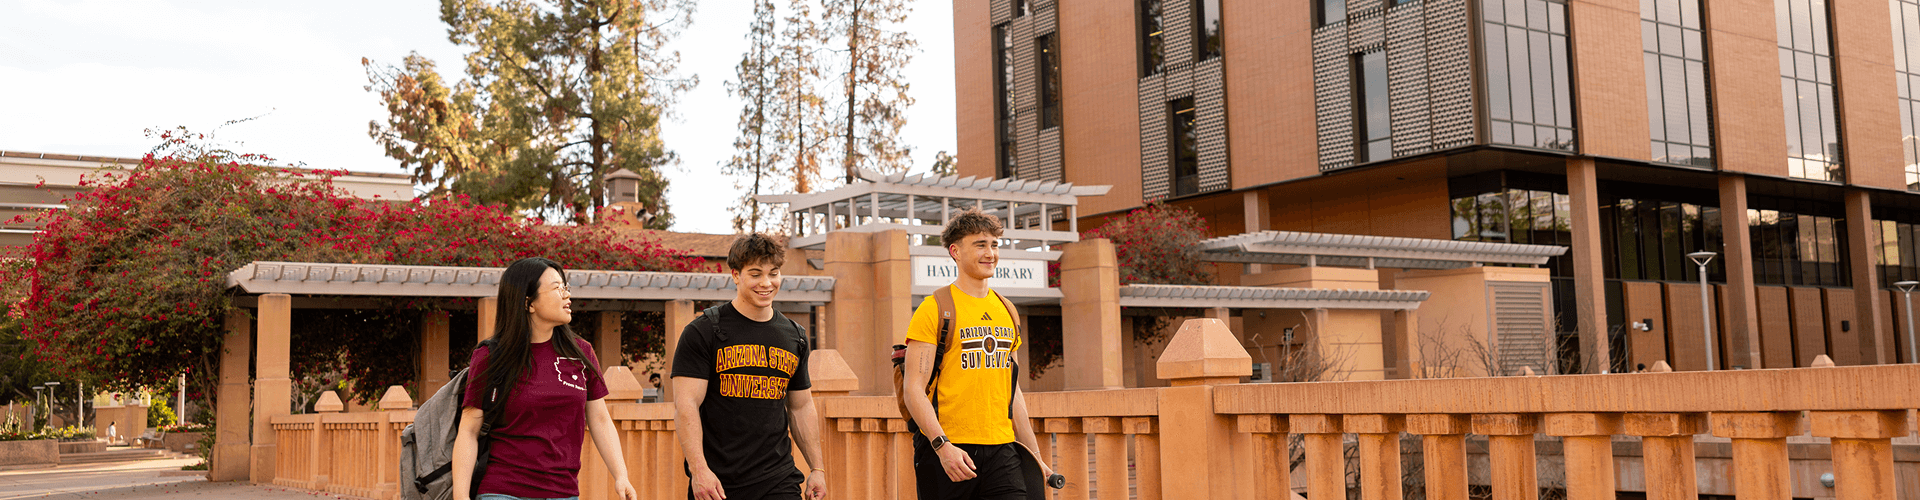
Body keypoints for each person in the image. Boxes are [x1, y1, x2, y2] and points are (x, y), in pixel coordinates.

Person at [451, 257, 637, 500]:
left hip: (563, 493)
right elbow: (469, 430)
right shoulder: (491, 356)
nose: (567, 295)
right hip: (503, 491)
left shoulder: (581, 353)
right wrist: (461, 496)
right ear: (528, 303)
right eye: (557, 288)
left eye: (566, 287)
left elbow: (600, 420)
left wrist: (621, 475)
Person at [902, 209, 1054, 500]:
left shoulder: (1007, 310)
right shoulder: (934, 308)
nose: (990, 253)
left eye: (994, 245)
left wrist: (1035, 457)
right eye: (980, 245)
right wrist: (942, 446)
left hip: (1003, 450)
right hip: (949, 450)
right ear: (955, 251)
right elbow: (913, 390)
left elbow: (1013, 391)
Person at [673, 233, 829, 500]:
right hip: (718, 485)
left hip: (778, 480)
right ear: (736, 275)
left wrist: (817, 468)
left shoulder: (795, 336)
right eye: (755, 274)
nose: (766, 283)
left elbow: (801, 407)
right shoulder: (704, 331)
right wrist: (699, 471)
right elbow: (686, 405)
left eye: (773, 273)